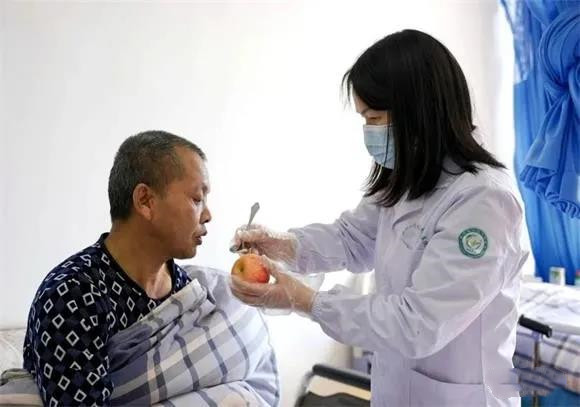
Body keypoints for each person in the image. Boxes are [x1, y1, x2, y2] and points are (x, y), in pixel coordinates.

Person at [230, 29, 528, 407]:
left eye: (374, 118)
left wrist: (306, 300)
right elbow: (352, 237)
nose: (369, 132)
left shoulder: (485, 200)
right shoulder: (409, 177)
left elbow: (416, 324)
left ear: (419, 111)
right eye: (365, 119)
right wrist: (286, 245)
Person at [22, 131, 279, 406]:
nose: (208, 215)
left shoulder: (192, 291)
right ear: (145, 201)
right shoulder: (71, 296)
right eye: (196, 198)